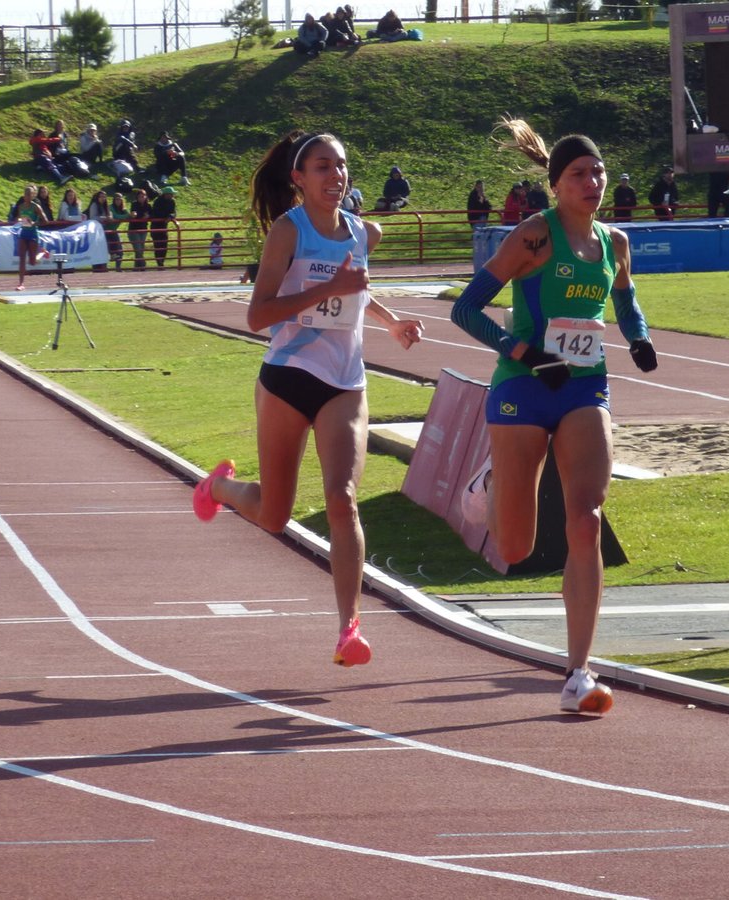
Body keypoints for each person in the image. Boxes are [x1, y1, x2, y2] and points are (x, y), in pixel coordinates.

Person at [191, 130, 424, 671]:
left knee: (342, 499)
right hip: (288, 377)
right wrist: (326, 291)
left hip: (345, 382)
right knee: (274, 515)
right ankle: (220, 486)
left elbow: (357, 288)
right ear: (299, 178)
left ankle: (349, 628)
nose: (335, 175)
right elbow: (258, 316)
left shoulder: (365, 232)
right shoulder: (287, 232)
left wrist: (391, 325)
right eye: (322, 166)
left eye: (341, 166)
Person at [450, 118, 659, 714]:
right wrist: (525, 352)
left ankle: (578, 674)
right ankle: (490, 483)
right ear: (556, 184)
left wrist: (638, 336)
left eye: (598, 171)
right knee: (515, 547)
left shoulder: (616, 243)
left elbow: (624, 296)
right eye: (578, 174)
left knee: (586, 519)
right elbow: (467, 311)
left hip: (584, 389)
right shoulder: (533, 238)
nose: (592, 182)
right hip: (523, 388)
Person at [11, 184, 47, 289]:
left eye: (29, 194)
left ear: (33, 196)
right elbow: (18, 218)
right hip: (23, 233)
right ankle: (21, 284)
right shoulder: (21, 206)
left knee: (32, 262)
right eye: (25, 194)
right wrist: (19, 220)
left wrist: (34, 223)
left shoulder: (36, 207)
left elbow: (45, 221)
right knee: (22, 258)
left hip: (33, 234)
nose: (27, 196)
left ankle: (42, 253)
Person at [150, 185, 178, 267]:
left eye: (172, 194)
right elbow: (156, 213)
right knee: (157, 244)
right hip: (155, 226)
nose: (171, 196)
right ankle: (159, 262)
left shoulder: (172, 201)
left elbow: (174, 212)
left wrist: (171, 216)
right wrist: (167, 216)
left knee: (164, 244)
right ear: (165, 194)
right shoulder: (158, 201)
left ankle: (162, 261)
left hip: (164, 226)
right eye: (170, 194)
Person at [127, 186, 152, 269]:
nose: (142, 197)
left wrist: (148, 216)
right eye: (140, 196)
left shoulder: (148, 206)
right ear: (137, 197)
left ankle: (137, 267)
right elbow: (135, 214)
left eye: (143, 196)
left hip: (143, 229)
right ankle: (143, 264)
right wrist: (143, 216)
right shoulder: (134, 204)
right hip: (134, 229)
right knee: (138, 249)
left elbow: (152, 214)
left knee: (141, 248)